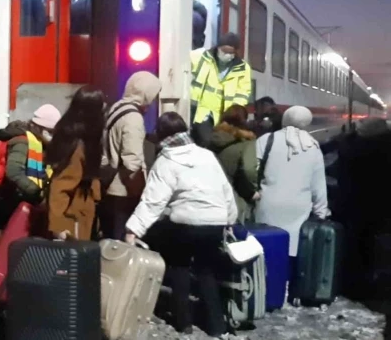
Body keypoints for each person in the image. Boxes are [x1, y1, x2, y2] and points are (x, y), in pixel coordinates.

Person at [125, 112, 237, 337]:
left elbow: (153, 201)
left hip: (185, 224)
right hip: (215, 222)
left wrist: (133, 229)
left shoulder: (166, 161)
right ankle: (216, 326)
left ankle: (183, 321)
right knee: (206, 271)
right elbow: (226, 190)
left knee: (179, 267)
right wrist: (229, 220)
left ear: (161, 134)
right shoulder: (207, 155)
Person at [255, 106, 328, 287]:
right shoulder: (312, 146)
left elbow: (253, 170)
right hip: (299, 207)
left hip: (268, 203)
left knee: (267, 247)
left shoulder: (267, 139)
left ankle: (265, 287)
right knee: (293, 249)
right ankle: (287, 287)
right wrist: (321, 212)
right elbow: (318, 184)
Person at [101, 71, 161, 240]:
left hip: (109, 186)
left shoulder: (116, 108)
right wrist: (140, 192)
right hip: (124, 191)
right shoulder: (133, 118)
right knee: (122, 245)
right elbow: (132, 161)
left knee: (110, 241)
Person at [45, 87, 105, 240]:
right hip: (72, 221)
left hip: (79, 214)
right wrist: (58, 226)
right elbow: (60, 187)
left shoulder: (80, 140)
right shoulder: (77, 148)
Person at [190, 32, 252, 147]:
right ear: (218, 48)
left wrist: (234, 114)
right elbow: (182, 61)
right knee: (206, 141)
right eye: (224, 51)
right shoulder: (202, 57)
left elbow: (243, 93)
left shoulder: (243, 68)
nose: (227, 54)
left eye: (231, 52)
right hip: (202, 112)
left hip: (224, 116)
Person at [207, 104, 259, 223]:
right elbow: (249, 170)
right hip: (235, 196)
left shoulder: (210, 139)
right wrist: (252, 190)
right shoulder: (245, 143)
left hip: (211, 194)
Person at [5, 104, 62, 205]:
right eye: (50, 132)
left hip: (30, 200)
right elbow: (13, 171)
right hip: (17, 201)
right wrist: (37, 192)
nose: (53, 136)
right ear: (39, 127)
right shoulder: (22, 142)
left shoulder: (42, 144)